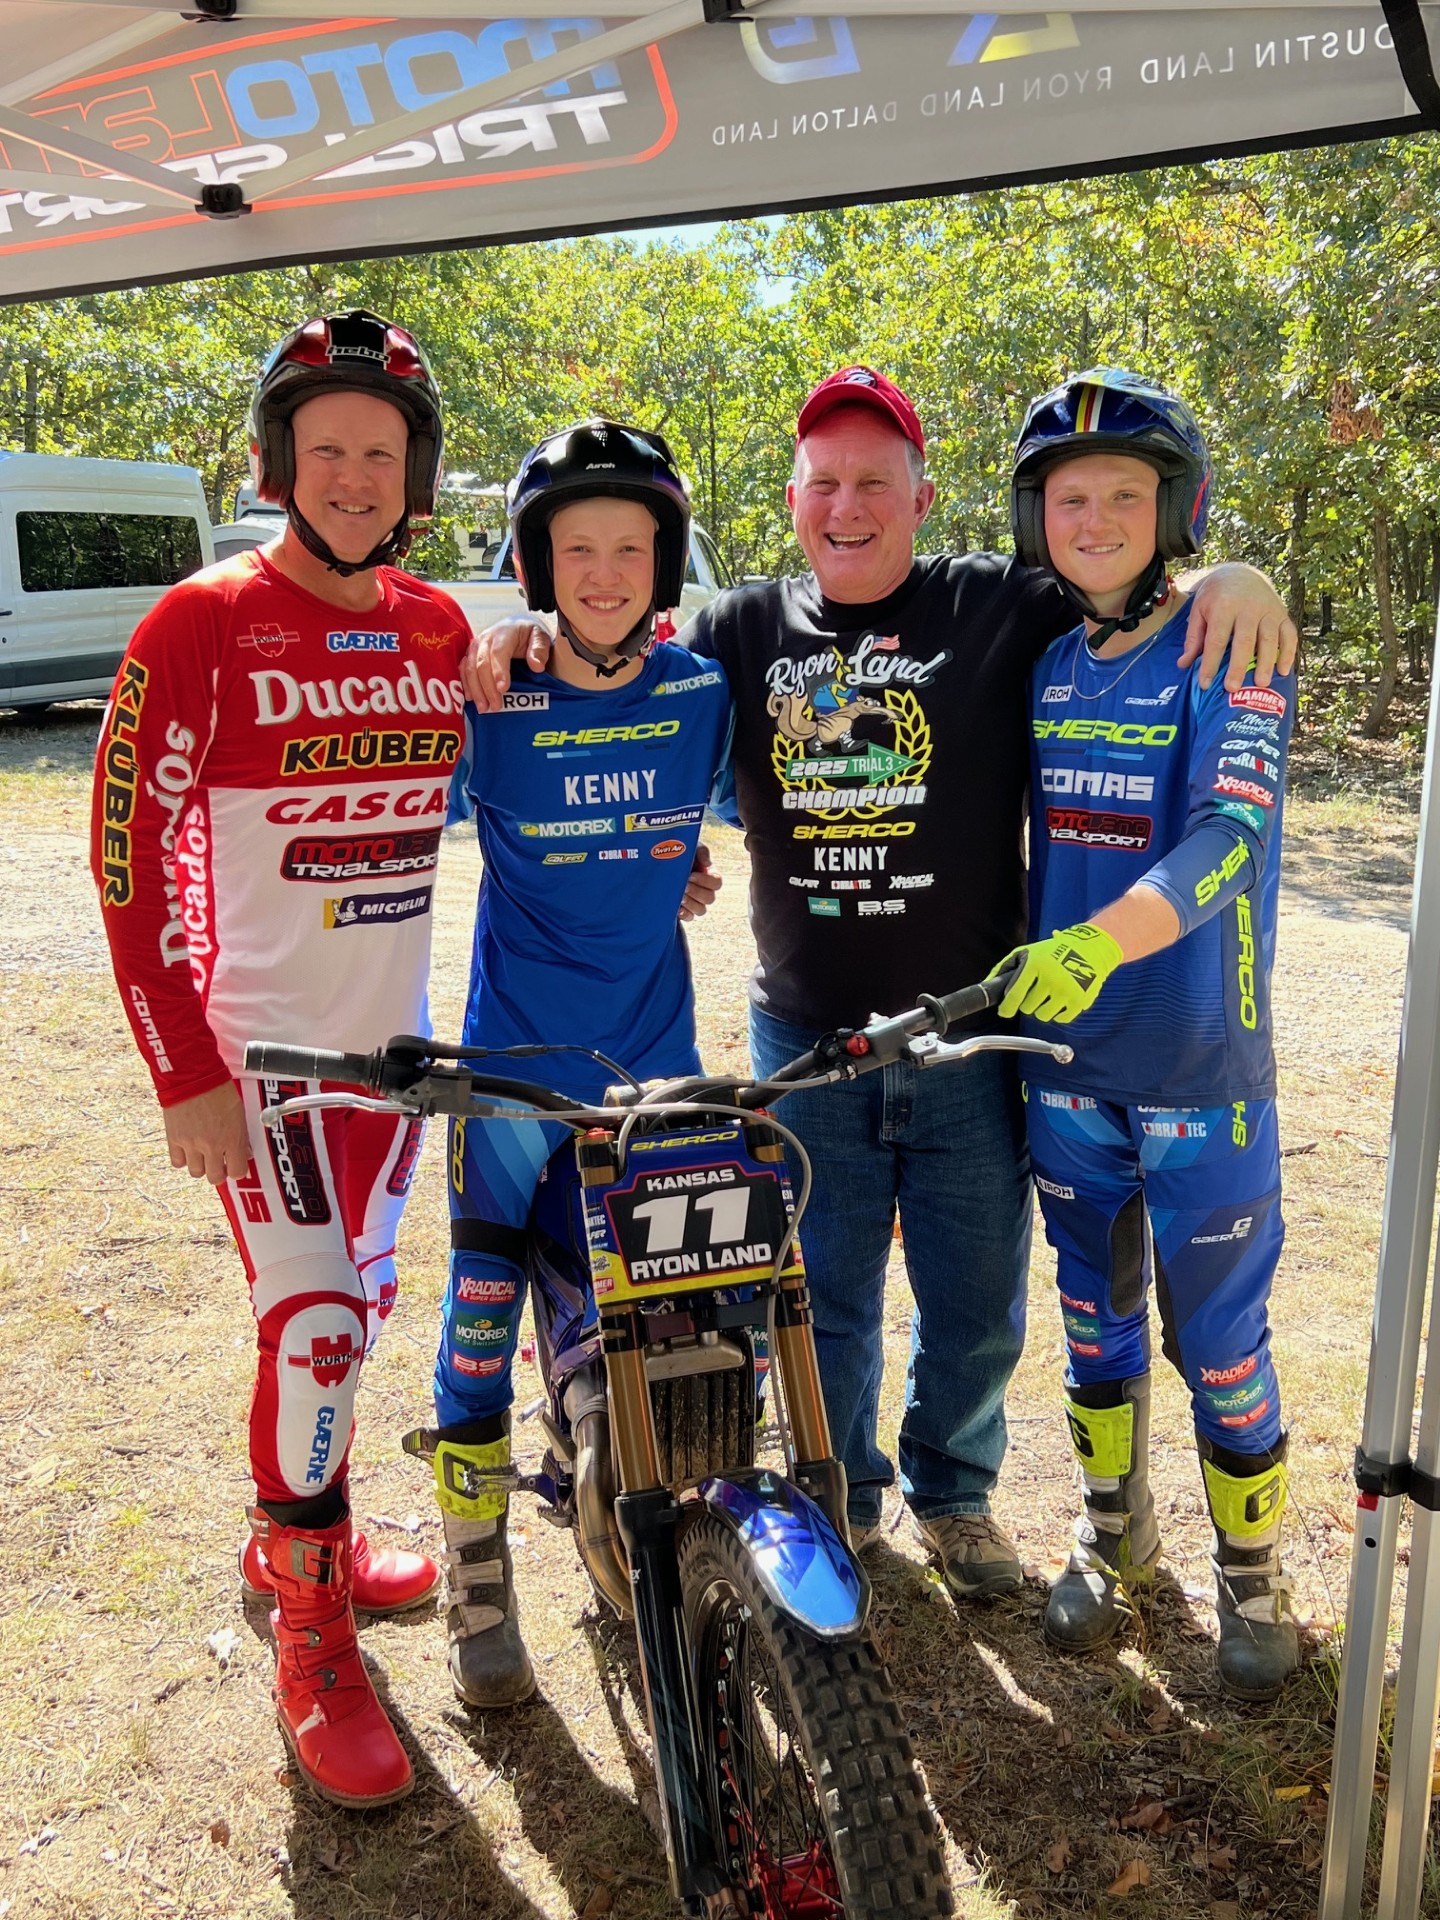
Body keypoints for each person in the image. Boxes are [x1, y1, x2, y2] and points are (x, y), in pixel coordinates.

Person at [460, 366, 1297, 1605]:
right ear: (793, 501)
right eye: (824, 485)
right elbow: (611, 654)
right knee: (821, 1295)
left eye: (873, 483)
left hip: (969, 1038)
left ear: (922, 498)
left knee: (975, 1304)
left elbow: (1123, 571)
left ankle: (954, 1497)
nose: (846, 507)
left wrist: (1235, 573)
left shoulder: (1000, 605)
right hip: (805, 1040)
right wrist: (515, 633)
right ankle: (842, 1495)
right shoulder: (737, 631)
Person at [90, 310, 469, 1808]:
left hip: (395, 1072)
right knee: (313, 1323)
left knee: (350, 1319)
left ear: (415, 473)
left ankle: (295, 1534)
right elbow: (125, 860)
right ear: (277, 463)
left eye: (381, 451)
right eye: (328, 451)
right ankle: (312, 1639)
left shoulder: (437, 627)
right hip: (263, 1068)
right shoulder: (199, 621)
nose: (356, 476)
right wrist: (183, 1068)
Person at [415, 419, 732, 1708]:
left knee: (689, 1321)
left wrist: (683, 866)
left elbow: (702, 836)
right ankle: (476, 1569)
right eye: (576, 550)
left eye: (631, 549)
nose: (604, 573)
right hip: (508, 1075)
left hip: (655, 1067)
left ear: (665, 564)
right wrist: (492, 640)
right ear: (536, 565)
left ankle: (680, 1538)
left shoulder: (702, 695)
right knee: (479, 1322)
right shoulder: (490, 697)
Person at [991, 368, 1297, 1697]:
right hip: (1068, 1067)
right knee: (1090, 1317)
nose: (1098, 519)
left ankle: (1253, 1569)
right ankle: (1113, 1525)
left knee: (1220, 1340)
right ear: (1036, 520)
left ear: (1175, 510)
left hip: (1198, 1066)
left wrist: (1101, 943)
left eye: (1126, 494)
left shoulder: (1231, 643)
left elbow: (1232, 838)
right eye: (1071, 498)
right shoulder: (1046, 660)